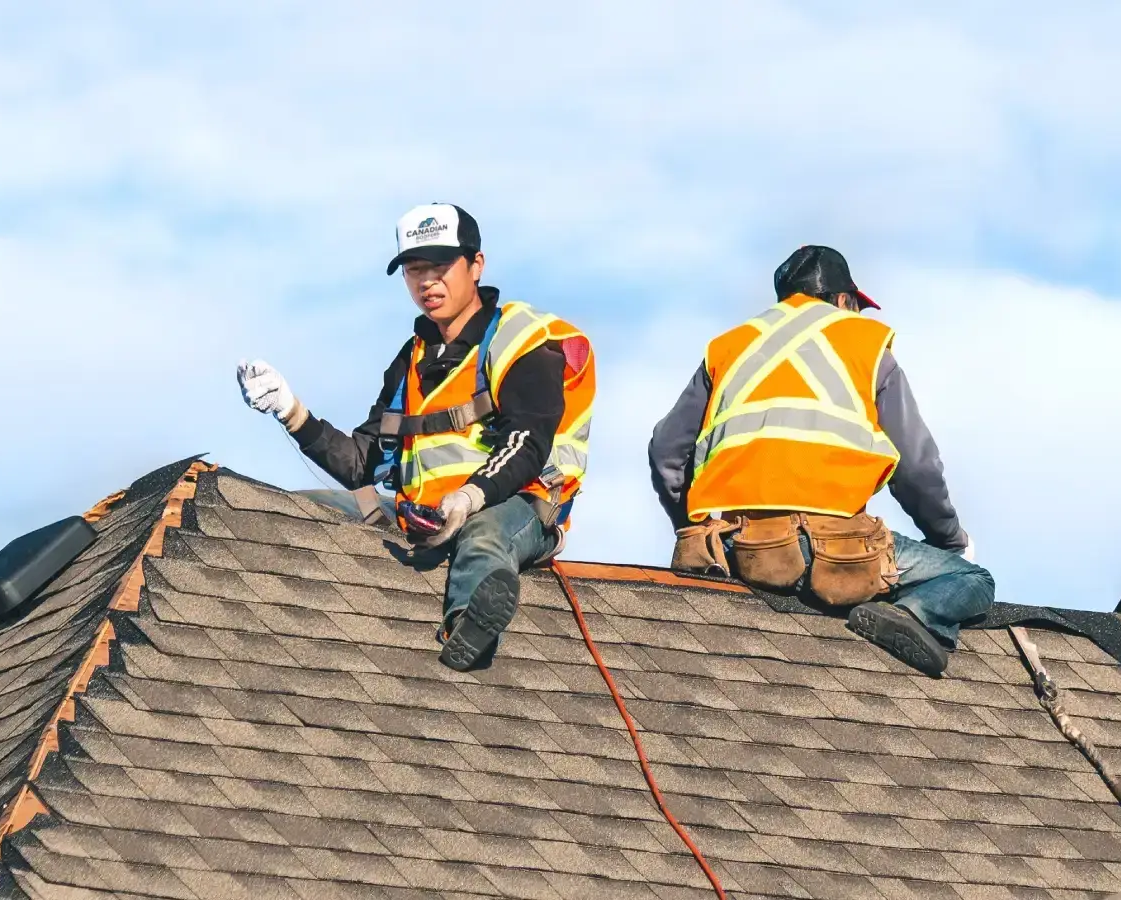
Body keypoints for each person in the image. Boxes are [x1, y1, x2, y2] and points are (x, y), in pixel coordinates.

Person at [237, 204, 595, 672]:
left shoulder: (523, 339)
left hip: (518, 508)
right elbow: (360, 463)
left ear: (476, 265)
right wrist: (292, 412)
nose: (427, 282)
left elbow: (528, 442)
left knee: (485, 538)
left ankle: (470, 627)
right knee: (303, 508)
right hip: (423, 518)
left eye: (441, 267)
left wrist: (468, 498)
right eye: (414, 270)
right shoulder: (411, 360)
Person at [648, 245, 992, 677]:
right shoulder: (865, 343)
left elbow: (666, 449)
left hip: (739, 547)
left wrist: (696, 527)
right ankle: (912, 616)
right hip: (834, 550)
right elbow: (917, 468)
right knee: (973, 580)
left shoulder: (731, 346)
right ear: (844, 301)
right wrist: (947, 541)